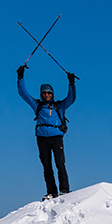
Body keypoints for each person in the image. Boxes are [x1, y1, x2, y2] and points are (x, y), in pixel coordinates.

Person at [17, 66, 77, 200]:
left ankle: (64, 190)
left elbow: (71, 98)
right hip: (42, 138)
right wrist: (20, 78)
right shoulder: (37, 105)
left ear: (52, 94)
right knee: (47, 166)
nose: (47, 95)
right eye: (44, 93)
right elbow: (24, 94)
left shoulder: (59, 106)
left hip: (56, 137)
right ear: (41, 94)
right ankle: (52, 192)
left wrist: (71, 83)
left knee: (60, 163)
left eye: (49, 93)